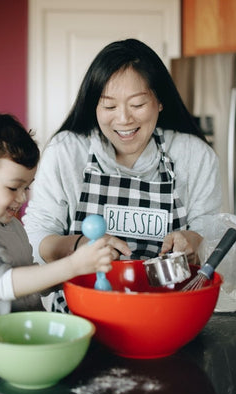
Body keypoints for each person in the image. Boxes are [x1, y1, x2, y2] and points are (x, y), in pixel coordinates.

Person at [22, 39, 222, 312]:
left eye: (137, 104)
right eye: (109, 106)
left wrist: (193, 239)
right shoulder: (68, 152)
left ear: (160, 102)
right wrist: (79, 245)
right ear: (94, 106)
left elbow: (211, 230)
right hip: (78, 315)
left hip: (167, 313)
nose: (124, 119)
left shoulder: (193, 156)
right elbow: (36, 237)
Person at [0, 113, 112, 369]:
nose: (23, 198)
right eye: (13, 187)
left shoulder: (12, 225)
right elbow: (2, 285)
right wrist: (73, 266)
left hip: (13, 351)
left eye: (27, 187)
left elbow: (27, 281)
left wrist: (78, 273)